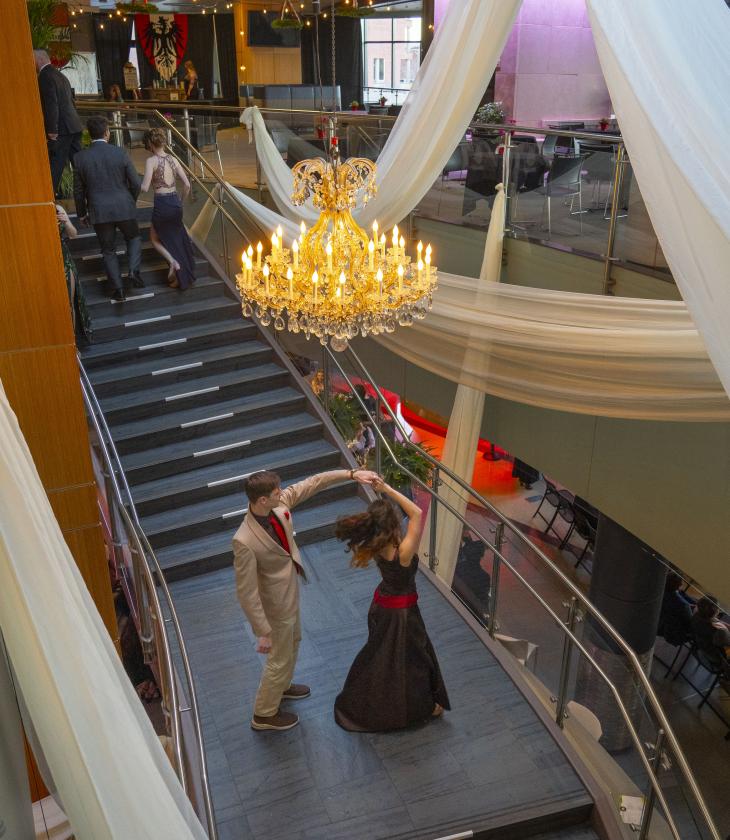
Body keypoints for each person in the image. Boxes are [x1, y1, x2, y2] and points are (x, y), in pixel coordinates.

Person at [233, 466, 378, 732]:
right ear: (262, 500)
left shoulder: (279, 505)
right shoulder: (244, 540)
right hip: (275, 606)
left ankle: (283, 687)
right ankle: (264, 714)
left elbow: (314, 480)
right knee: (279, 657)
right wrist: (262, 631)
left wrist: (351, 474)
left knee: (294, 641)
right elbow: (246, 591)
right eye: (276, 492)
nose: (282, 493)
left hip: (289, 594)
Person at [333, 477, 450, 732]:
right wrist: (385, 489)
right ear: (394, 523)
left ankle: (373, 695)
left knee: (383, 656)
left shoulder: (377, 544)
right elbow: (417, 512)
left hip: (381, 606)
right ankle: (415, 708)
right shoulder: (403, 550)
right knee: (411, 663)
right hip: (402, 615)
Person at [73, 116, 142, 302]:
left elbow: (78, 191)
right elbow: (136, 183)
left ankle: (118, 290)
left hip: (99, 210)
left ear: (89, 134)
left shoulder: (80, 158)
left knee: (108, 250)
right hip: (123, 206)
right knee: (133, 237)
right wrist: (130, 200)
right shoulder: (120, 153)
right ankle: (134, 271)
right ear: (107, 133)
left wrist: (81, 214)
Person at [140, 128, 195, 289]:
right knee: (176, 240)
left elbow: (144, 188)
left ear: (150, 143)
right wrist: (181, 202)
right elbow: (187, 185)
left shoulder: (151, 161)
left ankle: (172, 262)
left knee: (155, 239)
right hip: (175, 204)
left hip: (162, 204)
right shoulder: (174, 159)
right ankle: (180, 278)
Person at [34, 49, 83, 195]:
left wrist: (52, 131)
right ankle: (91, 193)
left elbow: (51, 105)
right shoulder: (60, 75)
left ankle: (48, 198)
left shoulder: (45, 76)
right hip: (74, 125)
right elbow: (70, 102)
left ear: (39, 59)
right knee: (80, 165)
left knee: (56, 164)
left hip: (62, 129)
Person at [56, 204, 92, 345]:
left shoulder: (57, 208)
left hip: (63, 258)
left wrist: (65, 220)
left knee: (69, 302)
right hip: (42, 260)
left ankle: (73, 343)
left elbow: (73, 234)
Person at [691, 597, 730, 685]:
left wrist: (723, 625)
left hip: (700, 649)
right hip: (716, 658)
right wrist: (725, 629)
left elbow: (715, 621)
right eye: (718, 607)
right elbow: (727, 641)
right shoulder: (719, 632)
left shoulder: (696, 617)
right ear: (716, 611)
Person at [453, 530, 491, 620]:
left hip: (470, 573)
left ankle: (484, 614)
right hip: (462, 574)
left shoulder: (467, 545)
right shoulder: (484, 577)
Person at [657, 572, 693, 646]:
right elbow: (690, 624)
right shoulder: (683, 605)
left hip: (659, 625)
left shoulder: (659, 591)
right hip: (675, 634)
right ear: (679, 585)